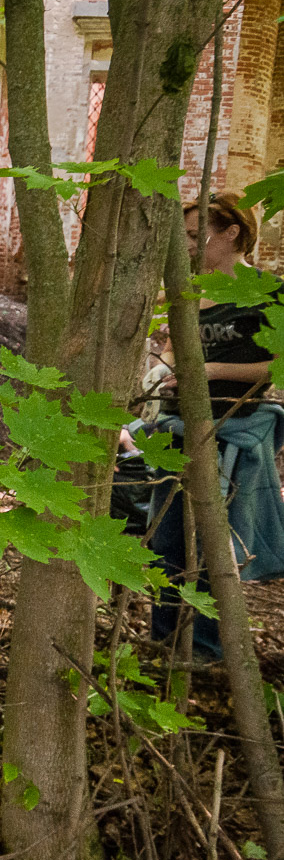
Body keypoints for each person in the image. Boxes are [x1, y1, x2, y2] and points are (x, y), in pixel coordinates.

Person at [149, 192, 284, 660]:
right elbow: (171, 344)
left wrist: (210, 372)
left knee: (211, 548)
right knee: (164, 539)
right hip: (175, 425)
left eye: (196, 235)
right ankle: (164, 642)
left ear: (231, 234)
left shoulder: (267, 291)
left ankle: (204, 651)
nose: (188, 244)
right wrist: (164, 368)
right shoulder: (188, 288)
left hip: (230, 428)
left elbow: (278, 366)